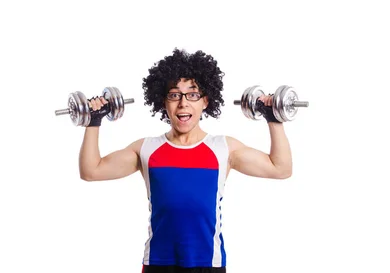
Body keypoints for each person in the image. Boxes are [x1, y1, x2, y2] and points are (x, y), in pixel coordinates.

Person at [79, 48, 293, 273]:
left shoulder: (224, 148)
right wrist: (93, 122)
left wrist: (273, 118)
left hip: (208, 263)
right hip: (158, 264)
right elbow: (91, 171)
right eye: (174, 95)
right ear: (164, 102)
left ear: (205, 101)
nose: (183, 103)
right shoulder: (146, 149)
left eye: (192, 94)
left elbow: (281, 168)